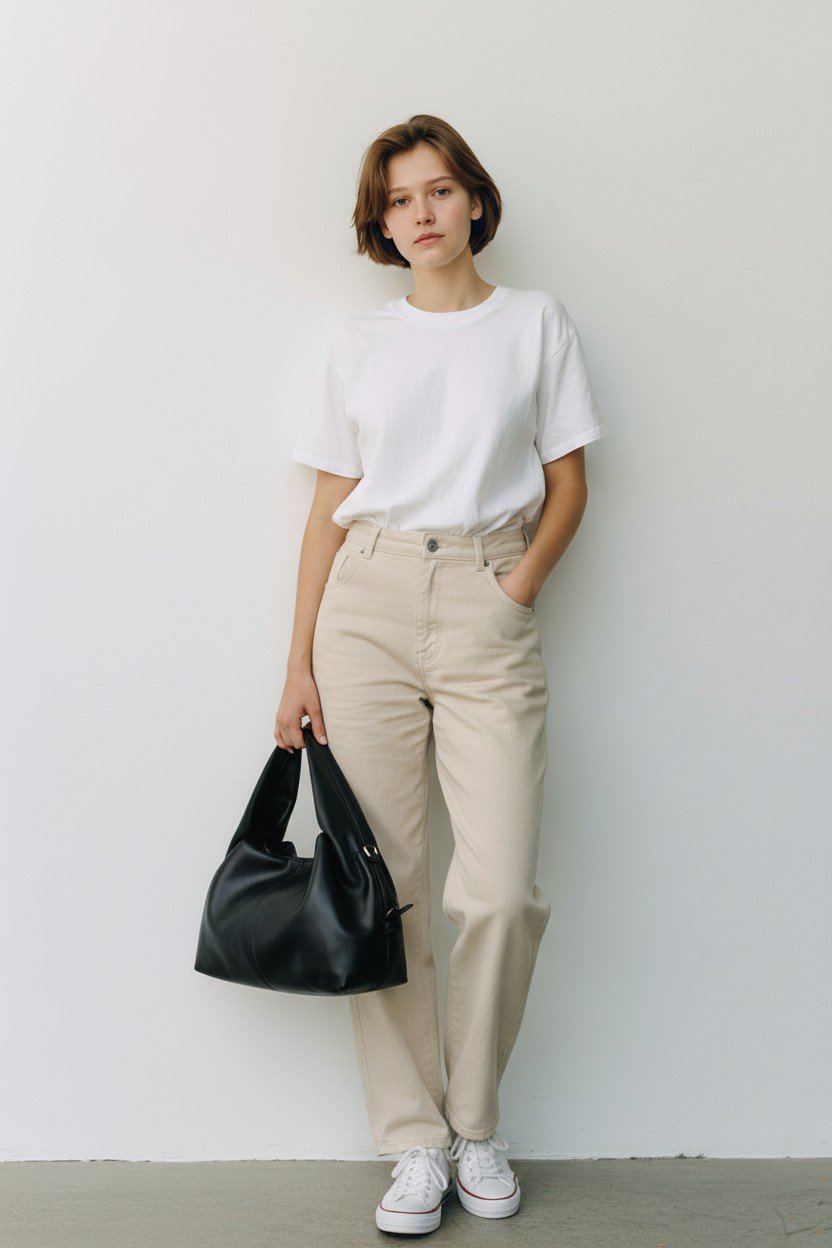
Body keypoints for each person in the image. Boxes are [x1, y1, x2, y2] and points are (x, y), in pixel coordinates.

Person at [275, 113, 608, 1235]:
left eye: (439, 190)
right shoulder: (356, 345)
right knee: (386, 892)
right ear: (381, 224)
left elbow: (567, 484)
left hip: (486, 598)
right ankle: (413, 1144)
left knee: (500, 892)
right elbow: (325, 512)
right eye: (398, 200)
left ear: (473, 200)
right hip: (362, 609)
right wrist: (297, 664)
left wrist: (512, 591)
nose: (420, 213)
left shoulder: (534, 324)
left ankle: (474, 1122)